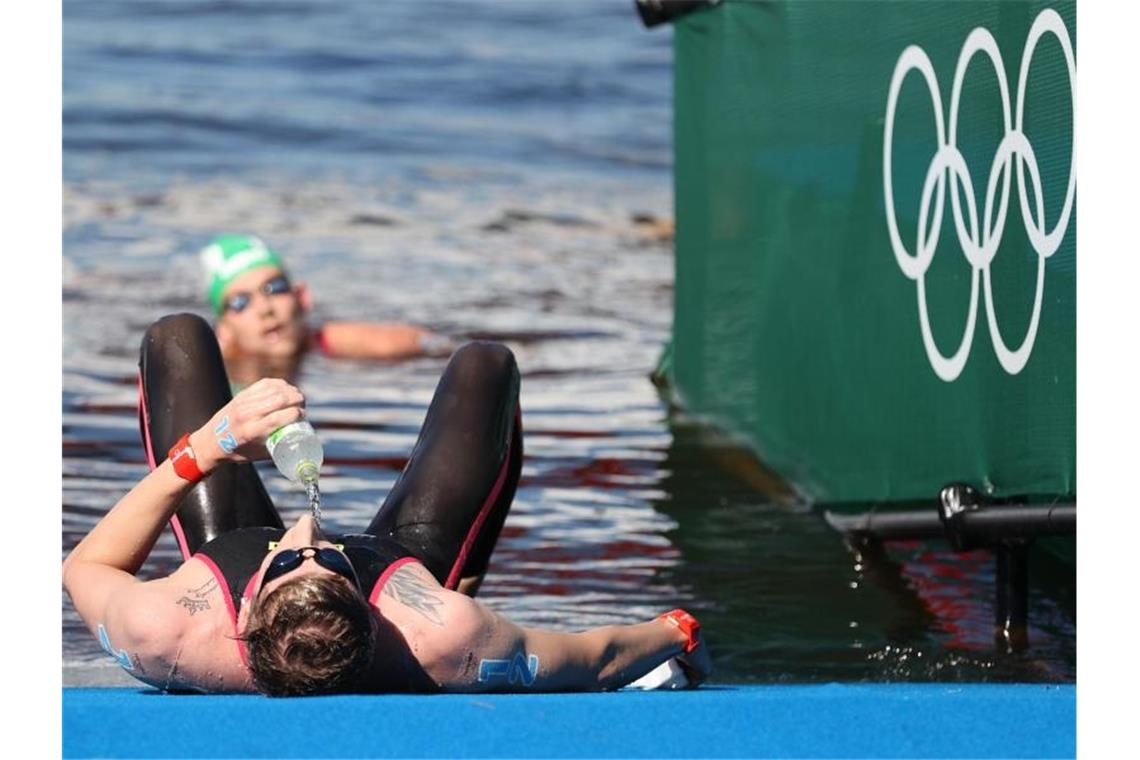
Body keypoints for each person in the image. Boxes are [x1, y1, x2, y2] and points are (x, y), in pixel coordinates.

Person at [62, 313, 711, 695]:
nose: (308, 532)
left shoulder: (169, 635)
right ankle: (460, 570)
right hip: (403, 562)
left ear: (250, 606)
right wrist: (674, 632)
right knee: (486, 364)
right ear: (369, 612)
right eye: (333, 564)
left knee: (176, 335)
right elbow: (592, 659)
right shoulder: (442, 637)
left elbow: (84, 570)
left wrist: (207, 446)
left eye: (290, 561)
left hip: (223, 545)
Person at [200, 234, 453, 386]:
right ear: (225, 331)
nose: (265, 309)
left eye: (274, 288)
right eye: (240, 303)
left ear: (302, 297)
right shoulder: (217, 371)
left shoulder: (327, 341)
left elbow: (427, 343)